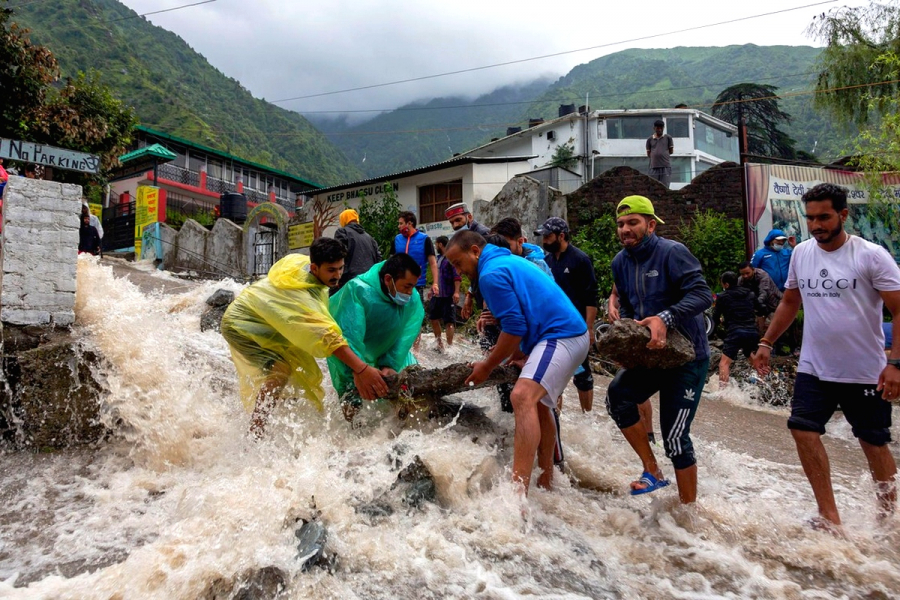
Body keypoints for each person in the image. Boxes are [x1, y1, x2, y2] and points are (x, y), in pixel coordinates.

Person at [752, 183, 900, 531]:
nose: (816, 225)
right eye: (811, 218)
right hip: (814, 367)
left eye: (824, 217)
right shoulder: (802, 253)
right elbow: (790, 302)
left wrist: (894, 364)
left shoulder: (870, 255)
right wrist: (766, 342)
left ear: (843, 215)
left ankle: (888, 522)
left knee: (873, 443)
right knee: (802, 430)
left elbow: (898, 310)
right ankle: (828, 515)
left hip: (865, 370)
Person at [446, 231, 590, 494]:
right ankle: (546, 480)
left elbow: (514, 327)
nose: (459, 271)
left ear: (475, 251)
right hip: (567, 335)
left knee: (522, 396)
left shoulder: (490, 273)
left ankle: (517, 492)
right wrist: (521, 354)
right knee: (540, 405)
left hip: (561, 335)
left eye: (458, 263)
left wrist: (487, 366)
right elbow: (526, 315)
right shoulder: (507, 261)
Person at [220, 237, 388, 437]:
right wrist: (361, 369)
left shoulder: (302, 267)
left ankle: (273, 416)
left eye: (340, 268)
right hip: (240, 325)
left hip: (265, 320)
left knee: (291, 370)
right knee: (280, 370)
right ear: (315, 268)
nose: (338, 275)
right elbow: (328, 338)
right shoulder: (302, 297)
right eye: (331, 270)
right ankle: (256, 432)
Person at [606, 195, 713, 502]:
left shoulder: (672, 253)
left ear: (650, 225)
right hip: (650, 355)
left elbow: (703, 295)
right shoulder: (619, 262)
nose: (625, 229)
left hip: (687, 358)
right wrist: (625, 334)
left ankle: (687, 514)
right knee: (618, 397)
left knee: (676, 438)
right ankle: (652, 470)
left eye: (633, 223)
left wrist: (665, 317)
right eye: (621, 224)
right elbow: (627, 305)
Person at [327, 253, 426, 400]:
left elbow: (406, 333)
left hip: (392, 354)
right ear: (388, 279)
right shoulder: (358, 291)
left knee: (412, 395)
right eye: (407, 286)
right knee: (353, 399)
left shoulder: (412, 299)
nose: (410, 292)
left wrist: (390, 364)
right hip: (351, 357)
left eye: (413, 286)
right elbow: (349, 337)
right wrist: (359, 369)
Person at [536, 217, 598, 413]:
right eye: (543, 237)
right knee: (554, 373)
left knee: (582, 375)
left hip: (577, 327)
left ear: (561, 236)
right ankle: (557, 419)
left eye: (548, 236)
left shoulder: (580, 260)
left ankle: (586, 418)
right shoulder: (546, 262)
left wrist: (589, 328)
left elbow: (591, 297)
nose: (544, 241)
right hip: (553, 327)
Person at [608, 284, 657, 443]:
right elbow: (615, 293)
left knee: (638, 390)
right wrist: (611, 306)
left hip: (648, 331)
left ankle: (648, 434)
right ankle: (640, 433)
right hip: (628, 331)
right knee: (628, 389)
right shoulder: (623, 265)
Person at [712, 271, 760, 385]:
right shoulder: (750, 294)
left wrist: (713, 331)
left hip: (735, 332)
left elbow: (715, 318)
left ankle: (723, 394)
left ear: (726, 284)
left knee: (724, 364)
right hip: (752, 332)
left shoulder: (722, 297)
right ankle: (765, 383)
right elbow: (761, 309)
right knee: (751, 356)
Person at [390, 211, 439, 300]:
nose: (399, 226)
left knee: (417, 312)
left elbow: (433, 263)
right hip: (399, 283)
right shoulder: (397, 239)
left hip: (417, 284)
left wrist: (435, 283)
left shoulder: (424, 239)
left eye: (401, 223)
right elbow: (391, 261)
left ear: (409, 223)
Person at [333, 208, 382, 293]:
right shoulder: (369, 237)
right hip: (369, 281)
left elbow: (338, 254)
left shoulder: (342, 232)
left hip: (350, 281)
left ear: (344, 219)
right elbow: (378, 258)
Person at [429, 236, 460, 351]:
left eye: (436, 244)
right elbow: (436, 277)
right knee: (433, 318)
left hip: (448, 295)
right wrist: (432, 290)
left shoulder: (450, 259)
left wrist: (456, 292)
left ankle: (450, 346)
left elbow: (457, 277)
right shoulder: (437, 259)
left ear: (440, 245)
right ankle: (439, 343)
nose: (435, 247)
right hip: (437, 295)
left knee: (449, 321)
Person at [738, 261, 781, 331]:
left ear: (753, 270)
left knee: (776, 328)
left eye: (747, 273)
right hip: (758, 307)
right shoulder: (741, 280)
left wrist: (756, 304)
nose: (745, 276)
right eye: (742, 274)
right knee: (758, 329)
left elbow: (764, 291)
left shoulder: (763, 275)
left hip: (773, 303)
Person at [646, 119, 674, 188]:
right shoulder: (649, 139)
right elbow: (648, 153)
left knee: (665, 187)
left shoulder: (668, 138)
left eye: (661, 128)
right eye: (657, 128)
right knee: (653, 187)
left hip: (665, 167)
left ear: (663, 128)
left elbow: (671, 151)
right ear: (654, 128)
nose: (659, 129)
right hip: (653, 167)